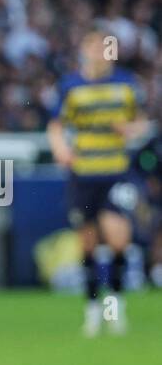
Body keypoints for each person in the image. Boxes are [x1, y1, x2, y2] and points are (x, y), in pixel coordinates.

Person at [47, 29, 149, 336]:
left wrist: (131, 128)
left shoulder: (126, 84)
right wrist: (60, 148)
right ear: (85, 49)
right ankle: (93, 311)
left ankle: (115, 308)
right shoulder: (71, 86)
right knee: (88, 244)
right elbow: (56, 125)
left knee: (118, 240)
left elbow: (142, 121)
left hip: (116, 172)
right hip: (83, 174)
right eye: (96, 47)